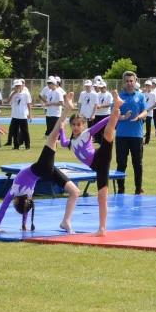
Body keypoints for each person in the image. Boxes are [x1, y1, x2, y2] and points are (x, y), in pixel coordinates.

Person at [0, 98, 79, 234]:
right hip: (42, 167)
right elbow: (3, 206)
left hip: (47, 172)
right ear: (16, 202)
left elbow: (25, 207)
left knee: (75, 192)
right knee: (53, 135)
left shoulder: (28, 196)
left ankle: (66, 222)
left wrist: (24, 225)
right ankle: (68, 108)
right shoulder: (15, 190)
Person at [60, 90, 123, 236]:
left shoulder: (86, 134)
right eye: (73, 125)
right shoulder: (71, 142)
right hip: (99, 168)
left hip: (101, 156)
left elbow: (99, 125)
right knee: (102, 198)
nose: (76, 127)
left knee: (108, 132)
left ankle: (116, 106)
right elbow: (62, 142)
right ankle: (102, 230)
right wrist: (61, 128)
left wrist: (113, 116)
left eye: (79, 124)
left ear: (83, 125)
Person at [115, 71, 148, 195]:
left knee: (137, 163)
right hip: (121, 135)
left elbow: (145, 111)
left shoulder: (140, 96)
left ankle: (138, 188)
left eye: (131, 81)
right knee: (121, 163)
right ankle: (120, 188)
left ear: (135, 81)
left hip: (136, 135)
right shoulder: (119, 97)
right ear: (124, 82)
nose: (129, 83)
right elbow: (114, 114)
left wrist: (139, 117)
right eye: (127, 81)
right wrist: (123, 117)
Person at [6, 79, 32, 150]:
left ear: (21, 86)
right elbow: (8, 101)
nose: (17, 87)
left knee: (25, 131)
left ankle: (27, 146)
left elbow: (29, 104)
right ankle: (16, 146)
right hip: (15, 115)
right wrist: (13, 93)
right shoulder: (12, 93)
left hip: (23, 115)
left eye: (18, 86)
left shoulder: (26, 94)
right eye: (16, 86)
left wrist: (30, 114)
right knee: (15, 131)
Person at [142, 80, 156, 145]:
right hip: (143, 113)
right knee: (140, 126)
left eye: (148, 85)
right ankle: (140, 140)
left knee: (148, 127)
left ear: (151, 86)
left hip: (149, 113)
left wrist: (149, 109)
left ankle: (147, 141)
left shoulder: (153, 94)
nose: (147, 87)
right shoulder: (143, 94)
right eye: (146, 85)